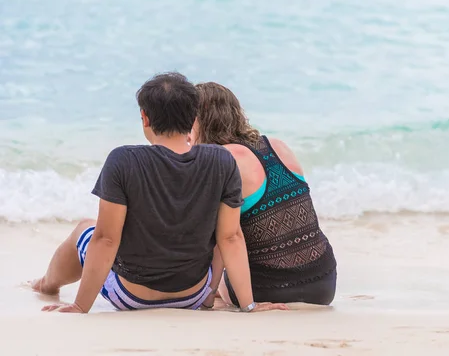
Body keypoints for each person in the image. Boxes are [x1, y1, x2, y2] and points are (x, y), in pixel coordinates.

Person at [30, 72, 286, 313]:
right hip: (192, 296)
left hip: (131, 297)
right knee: (222, 230)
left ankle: (47, 285)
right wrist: (249, 306)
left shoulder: (123, 160)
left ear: (145, 118)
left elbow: (106, 240)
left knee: (85, 229)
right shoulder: (221, 160)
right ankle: (45, 283)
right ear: (193, 118)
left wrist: (80, 307)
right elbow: (230, 238)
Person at [193, 82, 337, 307]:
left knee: (214, 280)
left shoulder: (220, 159)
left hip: (270, 289)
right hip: (324, 283)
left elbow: (225, 239)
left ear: (199, 120)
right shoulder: (277, 146)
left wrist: (210, 296)